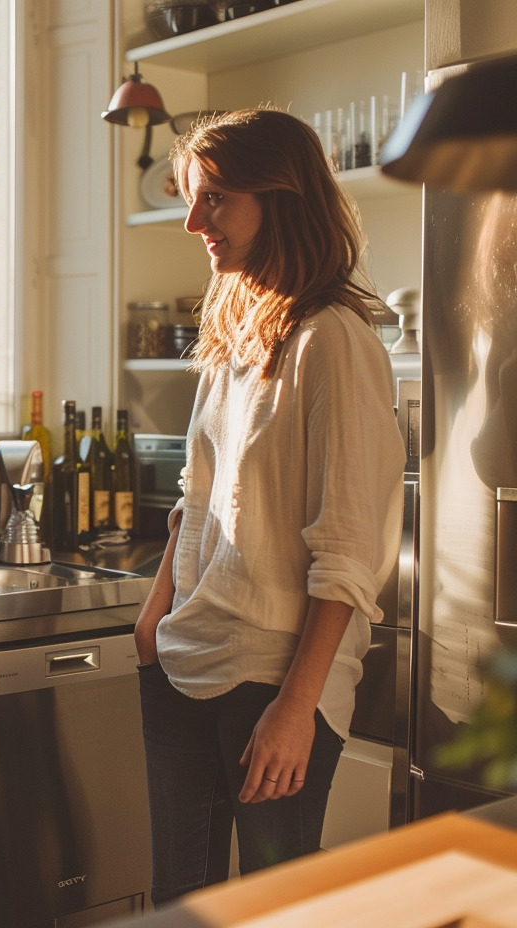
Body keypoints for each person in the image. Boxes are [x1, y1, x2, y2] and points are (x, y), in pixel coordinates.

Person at [132, 108, 405, 905]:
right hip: (183, 656)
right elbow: (196, 495)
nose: (193, 223)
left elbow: (349, 547)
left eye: (214, 198)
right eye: (192, 199)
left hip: (276, 679)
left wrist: (299, 704)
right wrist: (154, 616)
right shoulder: (234, 337)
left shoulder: (335, 341)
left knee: (271, 906)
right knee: (177, 904)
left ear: (280, 196)